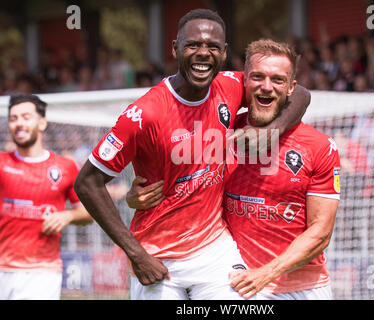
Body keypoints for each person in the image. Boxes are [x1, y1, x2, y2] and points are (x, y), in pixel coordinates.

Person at [74, 9, 310, 300]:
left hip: (214, 251)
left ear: (223, 53)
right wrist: (135, 254)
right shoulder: (143, 115)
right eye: (193, 45)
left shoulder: (231, 86)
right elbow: (87, 181)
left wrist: (271, 131)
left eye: (212, 47)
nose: (203, 53)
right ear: (175, 48)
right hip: (157, 257)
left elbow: (300, 94)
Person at [127, 39, 340, 300]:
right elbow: (183, 181)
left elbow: (320, 233)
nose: (267, 87)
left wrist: (266, 273)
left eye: (278, 80)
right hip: (237, 284)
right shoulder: (221, 131)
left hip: (304, 288)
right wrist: (138, 195)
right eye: (258, 77)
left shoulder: (320, 146)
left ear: (291, 87)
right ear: (244, 82)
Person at [0, 94, 93, 300]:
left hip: (42, 272)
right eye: (13, 119)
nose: (19, 124)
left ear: (42, 123)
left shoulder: (65, 167)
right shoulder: (2, 163)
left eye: (25, 117)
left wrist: (67, 216)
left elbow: (88, 212)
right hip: (2, 268)